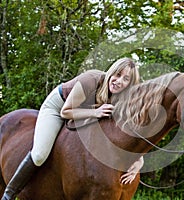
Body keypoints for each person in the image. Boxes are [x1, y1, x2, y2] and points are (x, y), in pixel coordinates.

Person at [2, 58, 144, 200]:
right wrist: (95, 113)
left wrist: (139, 161)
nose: (119, 81)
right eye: (117, 75)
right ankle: (8, 195)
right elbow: (66, 112)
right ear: (111, 72)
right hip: (59, 107)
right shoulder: (90, 79)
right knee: (40, 155)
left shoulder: (123, 98)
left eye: (126, 79)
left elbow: (127, 133)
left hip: (85, 111)